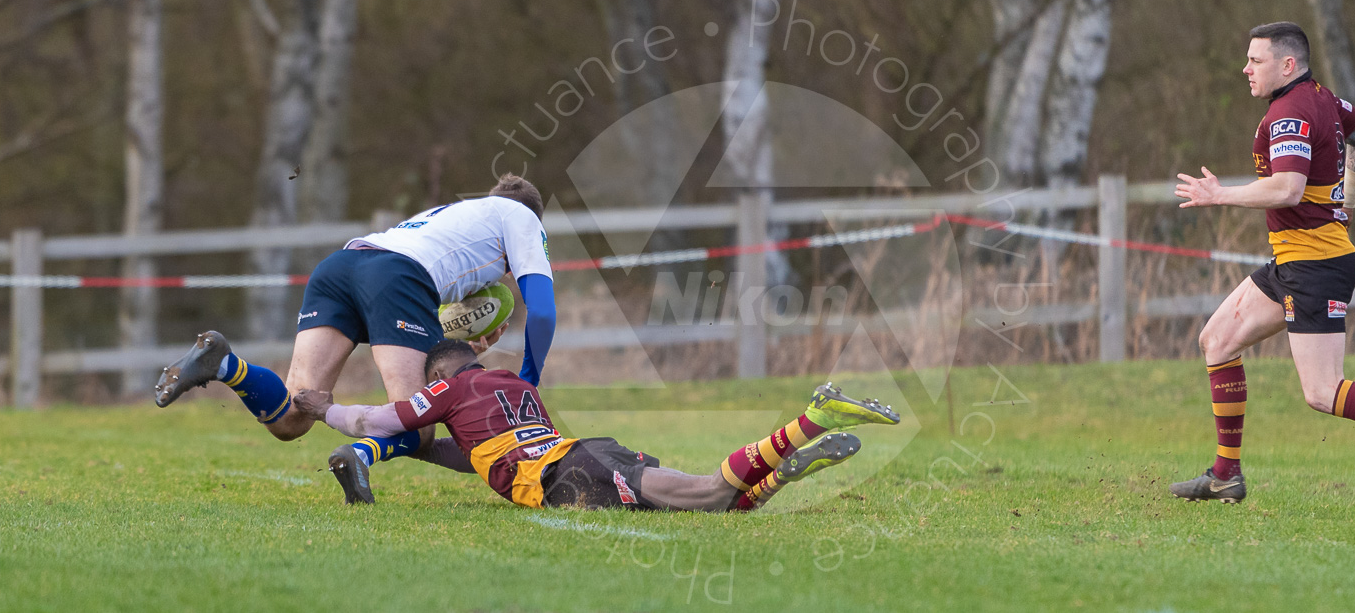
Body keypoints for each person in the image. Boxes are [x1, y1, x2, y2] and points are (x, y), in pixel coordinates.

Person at [1170, 22, 1355, 506]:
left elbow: (1288, 188)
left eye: (1256, 60)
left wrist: (1220, 195)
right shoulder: (1323, 97)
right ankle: (1226, 475)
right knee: (1217, 340)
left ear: (1287, 64)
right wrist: (1346, 205)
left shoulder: (1290, 112)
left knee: (1322, 391)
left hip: (1315, 266)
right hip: (1294, 259)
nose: (1246, 69)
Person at [153, 174, 557, 485]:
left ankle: (225, 365)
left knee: (291, 417)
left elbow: (423, 329)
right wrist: (529, 381)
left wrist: (466, 350)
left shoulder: (456, 217)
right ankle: (360, 455)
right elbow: (541, 311)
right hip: (397, 276)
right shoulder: (520, 216)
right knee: (416, 424)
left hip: (341, 267)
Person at [292, 339, 902, 509]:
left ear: (440, 378)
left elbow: (378, 416)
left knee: (710, 492)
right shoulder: (514, 385)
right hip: (584, 454)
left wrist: (326, 410)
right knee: (724, 507)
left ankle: (813, 418)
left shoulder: (449, 386)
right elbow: (476, 454)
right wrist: (422, 451)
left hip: (567, 476)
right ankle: (780, 474)